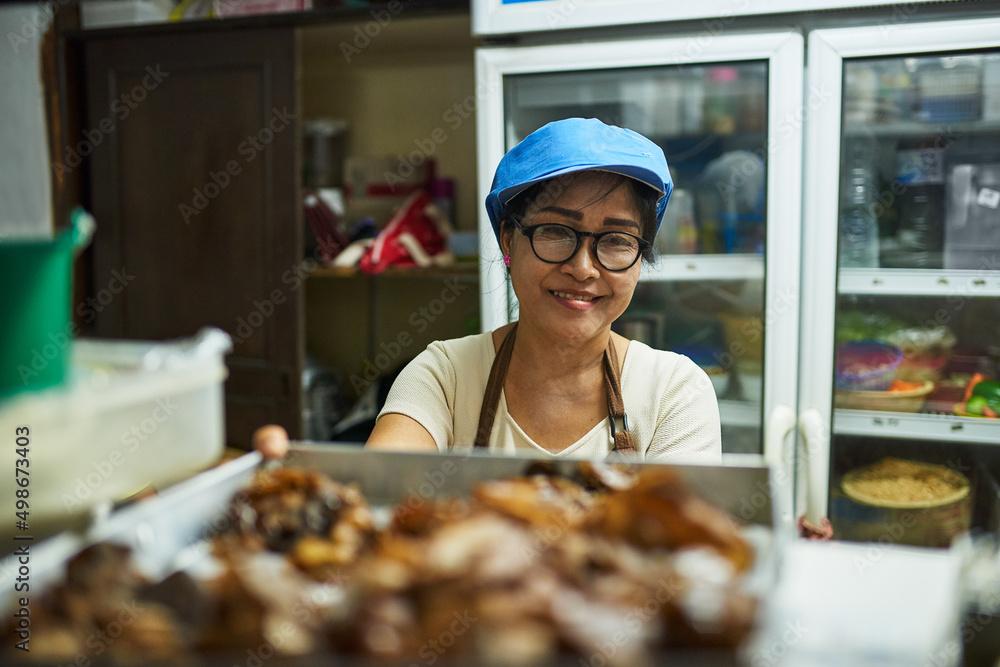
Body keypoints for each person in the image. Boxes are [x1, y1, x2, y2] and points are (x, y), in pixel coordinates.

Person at [256, 118, 721, 463]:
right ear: (507, 241)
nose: (583, 268)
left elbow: (682, 570)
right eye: (557, 231)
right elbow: (381, 489)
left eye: (617, 241)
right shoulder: (445, 377)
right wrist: (309, 488)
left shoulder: (673, 394)